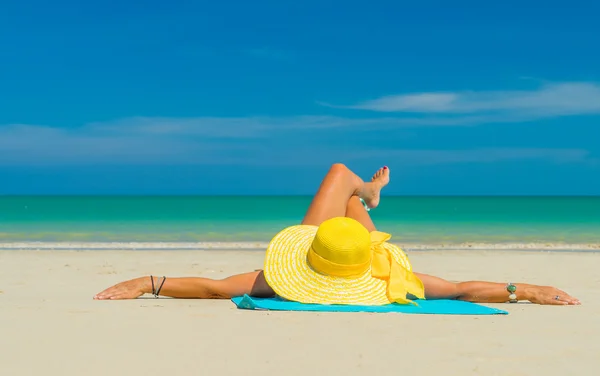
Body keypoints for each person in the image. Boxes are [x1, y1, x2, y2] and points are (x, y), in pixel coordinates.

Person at [94, 164, 580, 306]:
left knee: (340, 174)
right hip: (350, 249)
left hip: (330, 248)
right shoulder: (391, 278)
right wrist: (523, 290)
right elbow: (462, 290)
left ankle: (365, 194)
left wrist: (148, 282)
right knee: (346, 190)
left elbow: (215, 288)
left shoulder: (274, 281)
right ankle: (365, 197)